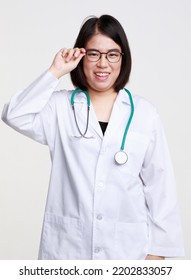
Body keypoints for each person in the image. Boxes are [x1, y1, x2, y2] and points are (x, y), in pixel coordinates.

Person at [2, 15, 184, 260]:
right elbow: (14, 115)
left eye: (112, 54)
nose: (103, 64)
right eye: (93, 54)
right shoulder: (60, 107)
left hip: (129, 252)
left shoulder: (144, 113)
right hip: (67, 250)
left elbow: (160, 187)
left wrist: (157, 253)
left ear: (123, 58)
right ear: (80, 56)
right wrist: (55, 72)